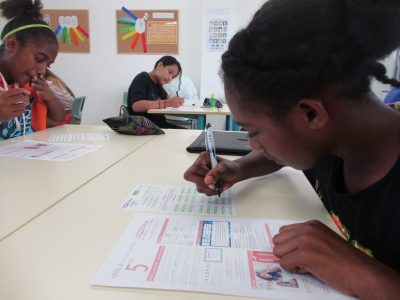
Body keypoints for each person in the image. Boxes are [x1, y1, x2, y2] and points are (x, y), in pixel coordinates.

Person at [184, 0, 400, 298]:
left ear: (311, 114)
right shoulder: (330, 141)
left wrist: (359, 270)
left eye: (254, 131)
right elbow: (281, 156)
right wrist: (239, 168)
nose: (252, 144)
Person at [0, 0, 64, 140]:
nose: (42, 70)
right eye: (39, 59)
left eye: (48, 65)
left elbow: (59, 117)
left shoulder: (30, 84)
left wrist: (50, 95)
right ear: (11, 44)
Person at [127, 55, 185, 128]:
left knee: (190, 134)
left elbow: (165, 101)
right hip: (143, 127)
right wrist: (168, 102)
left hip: (158, 126)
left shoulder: (159, 86)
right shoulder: (142, 78)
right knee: (188, 135)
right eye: (170, 72)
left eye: (173, 77)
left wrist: (174, 102)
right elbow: (136, 106)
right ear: (160, 65)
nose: (170, 78)